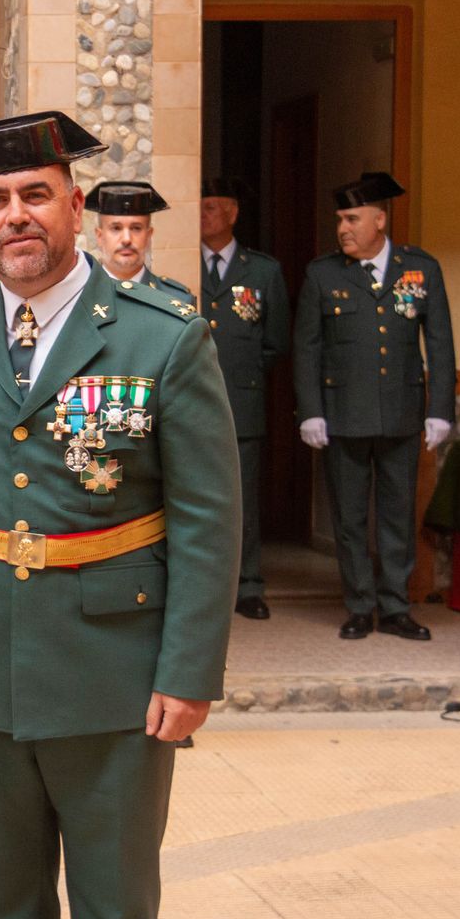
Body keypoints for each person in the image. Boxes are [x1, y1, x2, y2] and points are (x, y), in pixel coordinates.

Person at [0, 112, 240, 919]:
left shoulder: (162, 338)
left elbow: (207, 518)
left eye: (34, 195)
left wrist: (191, 673)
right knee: (2, 912)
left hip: (116, 672)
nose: (17, 216)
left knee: (115, 912)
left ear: (74, 205)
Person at [294, 171, 455, 641]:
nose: (343, 228)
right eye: (340, 220)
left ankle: (396, 606)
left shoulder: (420, 269)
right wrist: (311, 411)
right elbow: (307, 347)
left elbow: (440, 344)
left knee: (398, 514)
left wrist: (440, 408)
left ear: (379, 220)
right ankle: (360, 606)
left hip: (402, 415)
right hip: (342, 416)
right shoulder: (322, 274)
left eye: (352, 218)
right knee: (349, 518)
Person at [197, 178, 290, 620]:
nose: (204, 214)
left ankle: (248, 585)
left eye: (213, 206)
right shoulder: (184, 266)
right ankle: (204, 588)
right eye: (200, 205)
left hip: (242, 403)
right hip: (191, 403)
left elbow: (274, 343)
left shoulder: (263, 272)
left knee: (243, 501)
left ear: (233, 213)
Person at [87, 180, 189, 295]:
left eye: (136, 228)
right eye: (116, 228)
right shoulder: (80, 295)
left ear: (149, 235)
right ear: (99, 236)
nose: (126, 239)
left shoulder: (176, 298)